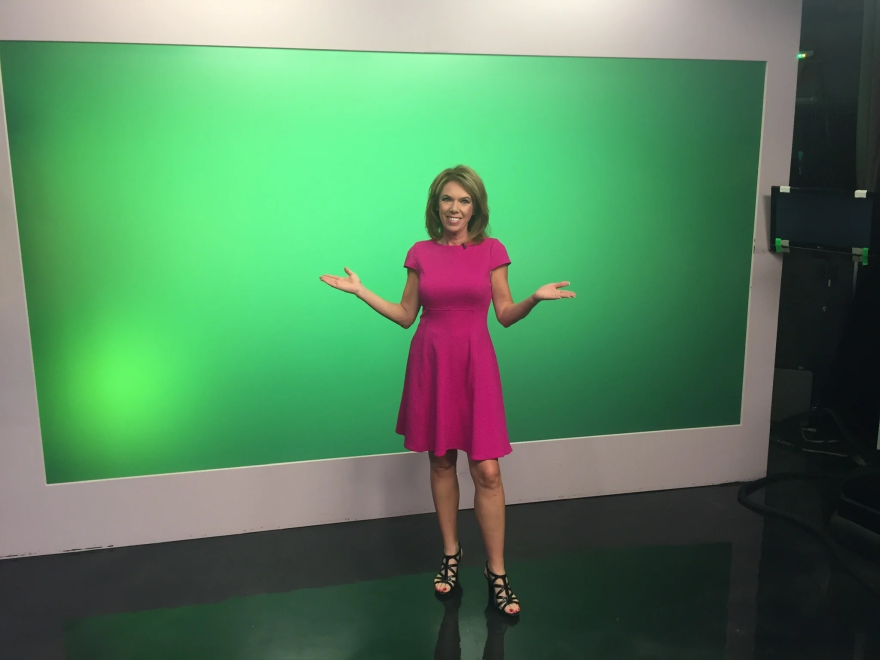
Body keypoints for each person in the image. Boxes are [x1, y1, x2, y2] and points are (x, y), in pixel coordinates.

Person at [320, 165, 575, 617]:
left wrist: (534, 299)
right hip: (432, 362)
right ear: (435, 205)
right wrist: (360, 291)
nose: (455, 208)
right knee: (441, 459)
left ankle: (496, 572)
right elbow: (404, 315)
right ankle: (451, 555)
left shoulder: (492, 250)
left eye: (464, 200)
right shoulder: (420, 252)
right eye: (447, 199)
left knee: (488, 473)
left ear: (476, 207)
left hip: (476, 365)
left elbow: (504, 314)